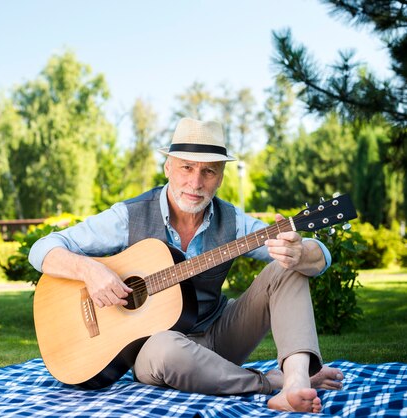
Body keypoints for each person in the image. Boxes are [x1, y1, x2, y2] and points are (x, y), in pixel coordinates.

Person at [28, 117, 344, 413]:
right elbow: (43, 248)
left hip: (220, 337)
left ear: (220, 177)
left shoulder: (232, 222)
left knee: (286, 267)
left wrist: (302, 253)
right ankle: (271, 383)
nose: (195, 182)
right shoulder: (129, 216)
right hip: (157, 353)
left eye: (208, 171)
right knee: (166, 347)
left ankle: (296, 380)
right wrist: (90, 271)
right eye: (187, 167)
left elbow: (319, 256)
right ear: (168, 167)